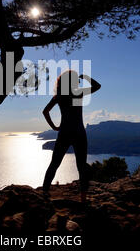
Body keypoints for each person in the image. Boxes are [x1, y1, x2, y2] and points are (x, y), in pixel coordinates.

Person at [42, 70, 101, 202]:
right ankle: (83, 198)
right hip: (79, 133)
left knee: (54, 164)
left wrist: (54, 127)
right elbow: (97, 86)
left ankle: (44, 193)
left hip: (64, 132)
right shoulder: (78, 93)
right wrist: (85, 76)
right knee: (81, 166)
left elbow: (45, 111)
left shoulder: (59, 96)